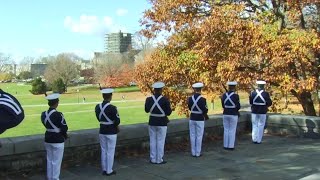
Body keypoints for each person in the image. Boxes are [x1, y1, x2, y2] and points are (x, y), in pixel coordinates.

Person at [41, 93, 68, 180]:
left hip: (48, 138)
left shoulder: (43, 114)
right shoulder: (58, 114)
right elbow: (64, 128)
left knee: (49, 160)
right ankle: (55, 178)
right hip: (57, 139)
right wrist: (65, 136)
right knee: (56, 161)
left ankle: (49, 177)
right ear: (56, 103)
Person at [145, 82, 172, 164]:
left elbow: (146, 110)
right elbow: (168, 113)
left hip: (152, 121)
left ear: (154, 90)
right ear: (161, 90)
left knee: (152, 141)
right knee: (160, 141)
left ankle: (153, 158)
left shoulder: (149, 99)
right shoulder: (165, 99)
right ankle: (159, 159)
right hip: (162, 122)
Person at [95, 88, 120, 176]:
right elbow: (117, 121)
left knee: (104, 150)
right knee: (110, 151)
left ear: (103, 96)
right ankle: (109, 170)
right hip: (111, 131)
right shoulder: (113, 108)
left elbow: (98, 119)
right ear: (110, 96)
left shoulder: (97, 107)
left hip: (102, 130)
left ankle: (104, 169)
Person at [188, 82, 209, 157]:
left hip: (192, 117)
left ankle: (193, 152)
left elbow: (190, 108)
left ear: (194, 89)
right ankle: (198, 152)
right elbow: (205, 110)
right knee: (199, 136)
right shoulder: (203, 99)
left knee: (192, 135)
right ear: (200, 89)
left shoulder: (190, 98)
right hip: (200, 118)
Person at [221, 81, 240, 150]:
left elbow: (223, 105)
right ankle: (231, 146)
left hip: (225, 113)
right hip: (233, 114)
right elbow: (238, 106)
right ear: (234, 88)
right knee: (232, 130)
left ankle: (225, 145)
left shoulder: (224, 95)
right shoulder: (236, 96)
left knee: (226, 129)